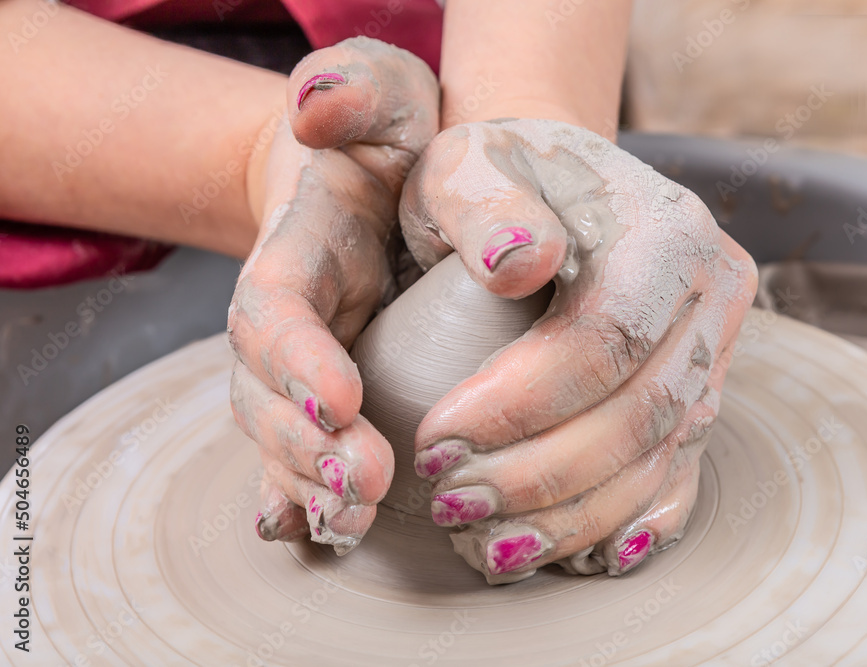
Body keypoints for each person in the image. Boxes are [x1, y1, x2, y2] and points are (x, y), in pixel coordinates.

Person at [0, 0, 756, 580]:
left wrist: (532, 138)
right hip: (77, 101)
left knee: (548, 247)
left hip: (472, 44)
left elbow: (521, 148)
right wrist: (264, 161)